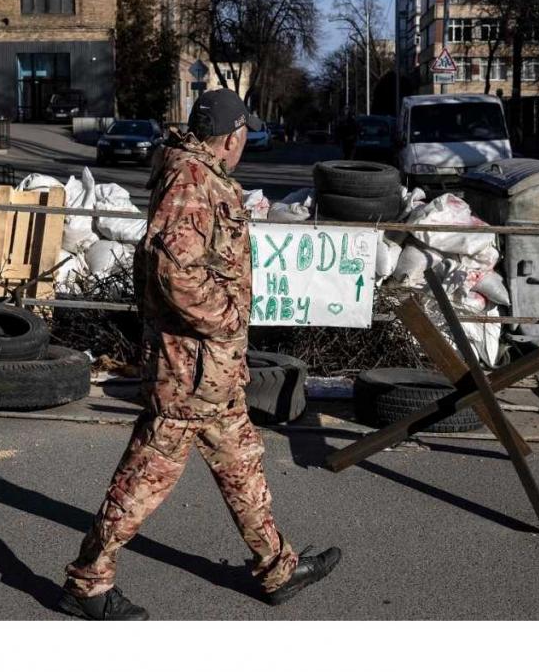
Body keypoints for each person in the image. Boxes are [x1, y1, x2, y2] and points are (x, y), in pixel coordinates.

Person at [59, 89, 341, 621]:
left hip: (214, 371)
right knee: (147, 475)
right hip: (190, 369)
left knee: (241, 461)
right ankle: (86, 581)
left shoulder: (203, 176)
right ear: (231, 136)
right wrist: (227, 320)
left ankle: (277, 569)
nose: (244, 145)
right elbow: (174, 271)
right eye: (243, 135)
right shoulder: (191, 180)